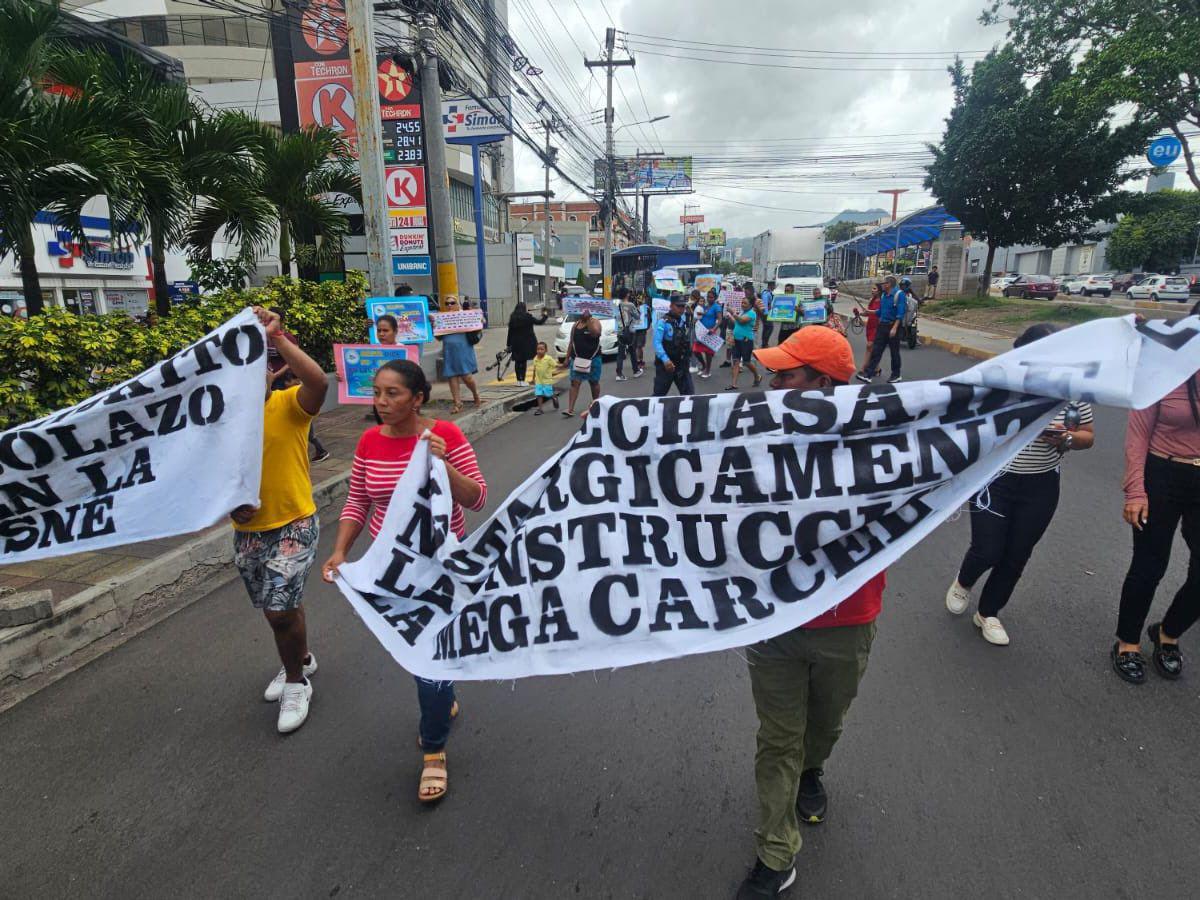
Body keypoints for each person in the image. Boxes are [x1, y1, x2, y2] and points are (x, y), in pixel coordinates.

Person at [735, 327, 887, 900]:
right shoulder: (750, 434)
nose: (773, 384)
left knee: (823, 725)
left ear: (822, 385)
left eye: (787, 375)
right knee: (779, 737)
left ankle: (813, 768)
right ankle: (777, 855)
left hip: (848, 619)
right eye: (774, 373)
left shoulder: (881, 441)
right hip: (773, 617)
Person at [322, 360, 486, 802]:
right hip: (392, 572)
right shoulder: (369, 441)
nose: (381, 402)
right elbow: (358, 499)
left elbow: (476, 497)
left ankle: (434, 752)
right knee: (422, 657)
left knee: (424, 660)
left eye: (392, 394)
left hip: (441, 570)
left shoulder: (446, 435)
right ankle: (443, 698)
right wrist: (340, 551)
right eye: (376, 393)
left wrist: (442, 465)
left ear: (418, 398)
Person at [945, 324, 1095, 645]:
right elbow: (971, 423)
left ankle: (988, 613)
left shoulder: (1072, 392)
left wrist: (1066, 438)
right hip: (995, 481)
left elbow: (1087, 435)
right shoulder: (1002, 386)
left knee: (1017, 554)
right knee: (988, 549)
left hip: (1040, 487)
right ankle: (963, 582)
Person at [230, 306, 328, 735]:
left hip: (295, 523)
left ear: (273, 371)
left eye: (261, 368)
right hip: (248, 533)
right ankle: (301, 657)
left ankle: (295, 681)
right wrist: (231, 508)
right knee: (278, 609)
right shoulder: (225, 423)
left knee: (279, 610)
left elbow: (319, 381)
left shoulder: (291, 406)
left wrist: (277, 335)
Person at [1112, 335, 1200, 683]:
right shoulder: (1160, 372)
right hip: (1162, 474)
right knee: (1150, 565)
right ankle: (1127, 642)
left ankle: (1168, 632)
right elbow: (1137, 436)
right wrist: (1136, 490)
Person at [266, 307, 329, 462]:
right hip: (272, 381)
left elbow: (294, 362)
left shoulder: (287, 338)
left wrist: (276, 375)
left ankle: (318, 445)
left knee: (296, 412)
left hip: (285, 380)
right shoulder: (263, 339)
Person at [855, 274, 905, 384]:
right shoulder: (884, 296)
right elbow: (880, 312)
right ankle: (868, 374)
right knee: (876, 350)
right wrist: (869, 312)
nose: (882, 285)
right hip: (882, 325)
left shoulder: (899, 295)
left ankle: (896, 375)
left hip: (893, 326)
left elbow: (900, 314)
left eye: (883, 283)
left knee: (894, 352)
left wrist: (894, 328)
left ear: (889, 284)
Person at [437, 295, 481, 414]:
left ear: (458, 304)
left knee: (467, 377)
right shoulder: (442, 318)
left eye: (452, 302)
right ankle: (457, 403)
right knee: (452, 377)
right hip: (449, 351)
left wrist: (480, 320)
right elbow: (438, 337)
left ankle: (475, 394)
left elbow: (478, 327)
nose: (449, 305)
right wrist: (433, 325)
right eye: (447, 303)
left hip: (464, 350)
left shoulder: (466, 316)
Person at [652, 293, 695, 397]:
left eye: (683, 306)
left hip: (681, 365)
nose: (681, 309)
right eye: (678, 306)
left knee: (689, 395)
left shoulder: (683, 321)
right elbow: (656, 342)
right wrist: (665, 360)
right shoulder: (663, 322)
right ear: (671, 306)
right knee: (658, 396)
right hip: (666, 365)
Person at [564, 307, 602, 418]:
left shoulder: (595, 322)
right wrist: (567, 358)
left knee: (594, 382)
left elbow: (596, 333)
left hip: (593, 359)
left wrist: (589, 319)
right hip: (577, 359)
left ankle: (596, 403)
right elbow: (571, 342)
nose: (582, 313)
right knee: (574, 383)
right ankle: (570, 409)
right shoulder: (575, 325)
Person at [725, 294, 762, 391]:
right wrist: (730, 317)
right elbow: (737, 322)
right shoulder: (742, 312)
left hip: (746, 340)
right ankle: (734, 384)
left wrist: (733, 313)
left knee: (746, 362)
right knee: (736, 361)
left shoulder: (752, 313)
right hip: (736, 340)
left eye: (745, 303)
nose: (743, 304)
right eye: (742, 302)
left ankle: (757, 376)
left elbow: (741, 321)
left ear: (751, 305)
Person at [505, 302, 549, 384]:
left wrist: (508, 345)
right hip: (527, 343)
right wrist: (545, 315)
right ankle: (523, 380)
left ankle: (519, 381)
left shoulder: (513, 317)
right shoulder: (528, 317)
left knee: (518, 361)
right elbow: (539, 322)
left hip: (516, 343)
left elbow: (510, 332)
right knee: (523, 361)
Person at [852, 284, 883, 373]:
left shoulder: (882, 301)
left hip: (878, 326)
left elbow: (880, 313)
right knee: (872, 348)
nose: (872, 290)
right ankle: (877, 368)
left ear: (879, 291)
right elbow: (868, 313)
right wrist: (859, 313)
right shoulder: (871, 300)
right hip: (870, 326)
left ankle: (863, 368)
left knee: (869, 346)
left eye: (874, 289)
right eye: (872, 288)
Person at [692, 288, 722, 379]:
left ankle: (708, 370)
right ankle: (704, 366)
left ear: (715, 298)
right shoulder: (705, 305)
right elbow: (699, 315)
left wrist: (714, 329)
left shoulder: (717, 307)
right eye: (708, 297)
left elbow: (720, 320)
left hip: (710, 332)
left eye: (711, 297)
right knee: (695, 350)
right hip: (701, 332)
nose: (709, 299)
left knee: (708, 353)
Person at [614, 287, 640, 382]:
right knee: (632, 351)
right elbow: (637, 316)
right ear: (627, 294)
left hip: (620, 331)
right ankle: (636, 371)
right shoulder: (630, 305)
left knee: (620, 354)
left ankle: (619, 374)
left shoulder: (616, 305)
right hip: (629, 331)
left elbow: (615, 317)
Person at [528, 340, 559, 415]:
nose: (539, 351)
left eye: (542, 349)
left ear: (546, 350)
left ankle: (554, 397)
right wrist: (533, 379)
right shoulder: (535, 358)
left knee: (548, 394)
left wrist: (563, 367)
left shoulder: (548, 358)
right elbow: (535, 369)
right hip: (539, 381)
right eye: (538, 349)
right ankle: (540, 409)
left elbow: (555, 365)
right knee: (539, 394)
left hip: (547, 381)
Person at [632, 292, 650, 373]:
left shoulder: (645, 308)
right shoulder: (633, 307)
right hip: (637, 329)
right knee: (637, 346)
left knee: (638, 346)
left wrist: (647, 327)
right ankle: (639, 361)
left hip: (640, 329)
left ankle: (639, 361)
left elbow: (649, 319)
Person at [760, 280, 777, 348]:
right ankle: (765, 343)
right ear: (771, 286)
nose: (774, 287)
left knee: (766, 328)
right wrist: (766, 313)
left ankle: (764, 343)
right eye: (774, 285)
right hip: (765, 314)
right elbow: (765, 303)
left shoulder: (768, 292)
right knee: (770, 328)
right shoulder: (766, 293)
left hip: (766, 313)